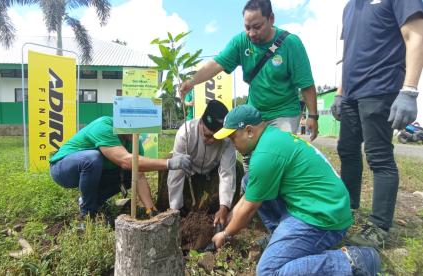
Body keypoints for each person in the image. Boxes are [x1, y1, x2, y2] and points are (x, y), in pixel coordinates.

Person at [211, 105, 381, 275]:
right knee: (249, 181)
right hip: (318, 204)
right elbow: (250, 196)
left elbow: (249, 208)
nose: (232, 145)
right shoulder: (272, 138)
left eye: (233, 138)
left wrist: (225, 234)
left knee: (268, 271)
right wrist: (228, 218)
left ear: (249, 131)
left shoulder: (265, 155)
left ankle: (352, 261)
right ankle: (283, 240)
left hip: (323, 218)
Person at [331, 0, 423, 248]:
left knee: (379, 157)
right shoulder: (350, 7)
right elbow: (348, 53)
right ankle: (348, 208)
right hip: (351, 93)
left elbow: (415, 35)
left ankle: (380, 226)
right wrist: (340, 92)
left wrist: (410, 91)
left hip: (380, 88)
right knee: (347, 151)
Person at [180, 0, 319, 142]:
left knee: (277, 151)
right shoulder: (241, 42)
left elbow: (306, 84)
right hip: (255, 113)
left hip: (284, 112)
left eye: (257, 27)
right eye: (247, 27)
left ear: (271, 19)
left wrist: (313, 116)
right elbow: (216, 64)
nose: (251, 33)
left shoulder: (291, 44)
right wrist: (192, 82)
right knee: (248, 153)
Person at [49, 116, 192, 219]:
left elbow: (139, 176)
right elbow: (126, 161)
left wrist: (151, 210)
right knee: (92, 159)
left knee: (131, 175)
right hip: (62, 168)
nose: (137, 133)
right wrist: (169, 163)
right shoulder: (104, 126)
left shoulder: (134, 141)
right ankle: (87, 214)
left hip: (91, 172)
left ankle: (93, 202)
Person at [157, 100, 241, 226]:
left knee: (238, 168)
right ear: (200, 122)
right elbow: (176, 174)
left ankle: (225, 214)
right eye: (207, 135)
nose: (210, 141)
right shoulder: (185, 132)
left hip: (212, 171)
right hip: (189, 170)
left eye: (215, 137)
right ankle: (169, 209)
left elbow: (227, 174)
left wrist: (224, 207)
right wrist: (175, 210)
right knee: (168, 161)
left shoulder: (227, 140)